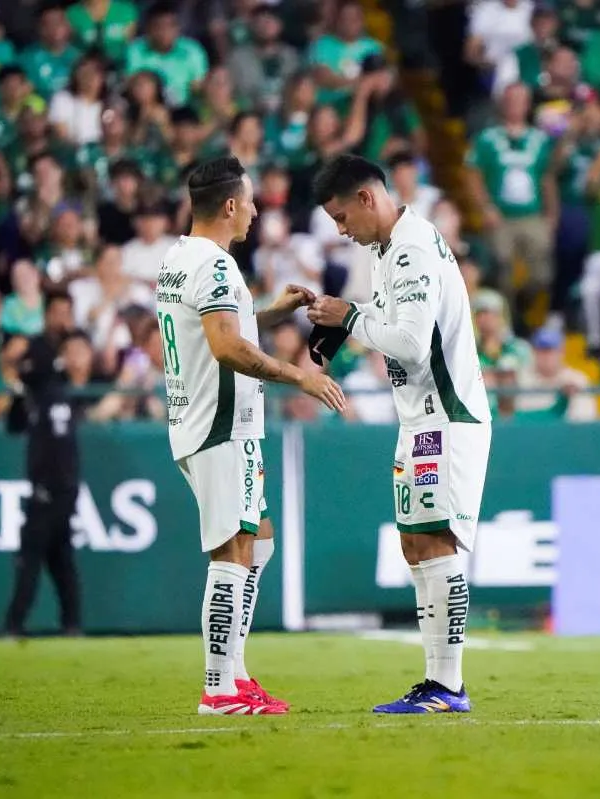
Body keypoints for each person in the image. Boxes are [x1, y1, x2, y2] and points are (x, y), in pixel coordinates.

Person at [156, 156, 345, 716]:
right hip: (219, 424)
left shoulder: (180, 256)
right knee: (233, 551)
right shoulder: (215, 266)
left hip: (207, 422)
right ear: (231, 205)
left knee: (256, 540)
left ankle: (236, 675)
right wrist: (299, 376)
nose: (257, 210)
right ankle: (218, 688)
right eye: (252, 200)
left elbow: (220, 324)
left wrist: (271, 312)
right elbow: (224, 346)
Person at [308, 154, 492, 714]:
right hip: (418, 417)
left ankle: (448, 686)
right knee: (416, 545)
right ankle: (438, 683)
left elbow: (411, 344)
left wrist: (348, 318)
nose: (341, 231)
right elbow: (402, 326)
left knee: (436, 543)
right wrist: (349, 318)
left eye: (342, 217)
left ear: (368, 198)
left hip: (446, 416)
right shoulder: (392, 249)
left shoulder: (410, 247)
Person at [1, 292, 82, 637]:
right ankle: (71, 624)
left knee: (34, 552)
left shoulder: (57, 390)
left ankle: (14, 624)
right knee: (58, 556)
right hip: (55, 482)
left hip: (54, 483)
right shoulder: (40, 392)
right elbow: (14, 423)